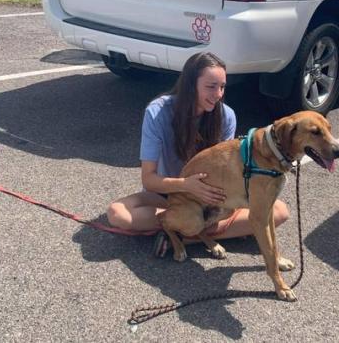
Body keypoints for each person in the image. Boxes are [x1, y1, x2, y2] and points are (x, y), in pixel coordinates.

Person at [106, 51, 290, 257]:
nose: (218, 94)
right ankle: (193, 227)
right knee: (117, 213)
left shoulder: (226, 116)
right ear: (190, 84)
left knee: (280, 212)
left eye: (222, 87)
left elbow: (227, 173)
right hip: (167, 192)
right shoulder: (157, 113)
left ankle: (185, 236)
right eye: (211, 87)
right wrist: (186, 185)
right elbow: (149, 179)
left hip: (211, 199)